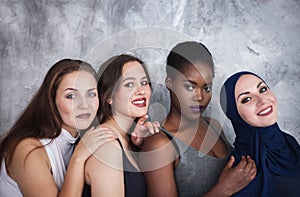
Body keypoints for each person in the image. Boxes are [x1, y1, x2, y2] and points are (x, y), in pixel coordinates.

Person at [139, 41, 257, 197]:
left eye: (206, 88)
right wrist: (224, 189)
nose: (200, 97)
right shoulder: (159, 144)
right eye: (189, 87)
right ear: (170, 83)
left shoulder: (213, 125)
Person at [0, 59, 118, 197]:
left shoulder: (80, 137)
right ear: (52, 101)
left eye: (91, 94)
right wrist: (78, 158)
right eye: (71, 96)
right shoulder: (28, 150)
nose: (85, 105)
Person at [82, 54, 160, 196]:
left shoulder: (127, 140)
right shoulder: (107, 148)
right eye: (129, 84)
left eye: (144, 82)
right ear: (109, 96)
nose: (141, 91)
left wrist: (142, 146)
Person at [220, 71, 300, 197]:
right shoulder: (242, 169)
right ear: (234, 113)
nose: (262, 101)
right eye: (246, 99)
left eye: (263, 89)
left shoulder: (288, 140)